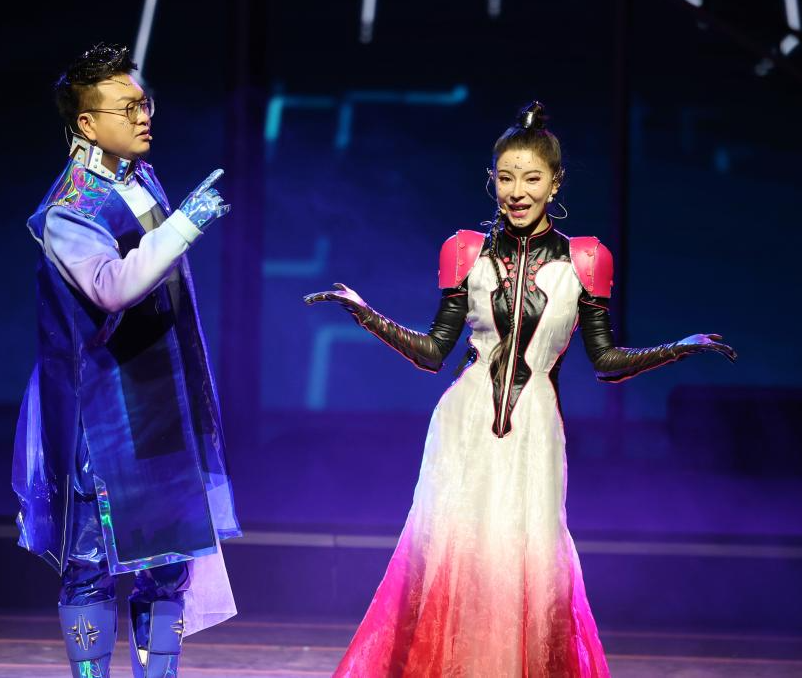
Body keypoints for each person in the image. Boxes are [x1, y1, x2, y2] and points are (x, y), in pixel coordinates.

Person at [304, 101, 736, 677]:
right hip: (463, 427)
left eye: (531, 178)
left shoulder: (586, 260)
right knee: (451, 561)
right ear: (492, 180)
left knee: (527, 563)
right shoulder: (465, 252)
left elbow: (606, 362)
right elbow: (433, 352)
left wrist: (677, 347)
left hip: (534, 432)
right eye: (506, 177)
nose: (517, 191)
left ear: (555, 183)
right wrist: (364, 312)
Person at [12, 43, 241, 678]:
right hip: (101, 413)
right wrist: (184, 225)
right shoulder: (68, 209)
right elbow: (111, 287)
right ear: (87, 123)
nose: (143, 117)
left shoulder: (139, 178)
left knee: (168, 564)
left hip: (159, 397)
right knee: (90, 561)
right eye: (127, 108)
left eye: (145, 104)